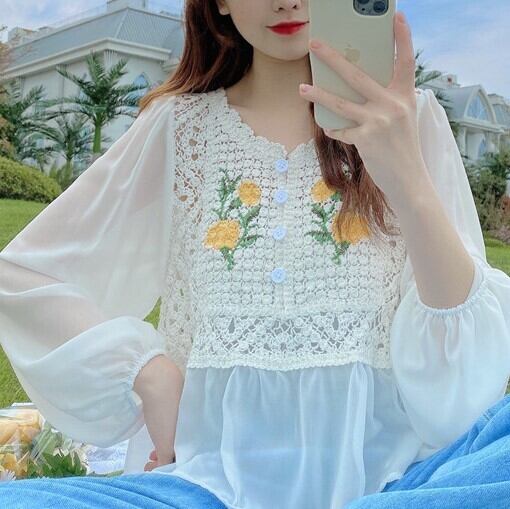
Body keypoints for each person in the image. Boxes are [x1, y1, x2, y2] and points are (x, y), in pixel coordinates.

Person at [1, 1, 510, 508]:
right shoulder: (180, 127)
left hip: (390, 486)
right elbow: (20, 275)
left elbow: (460, 395)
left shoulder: (409, 117)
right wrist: (148, 371)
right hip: (207, 488)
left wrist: (408, 180)